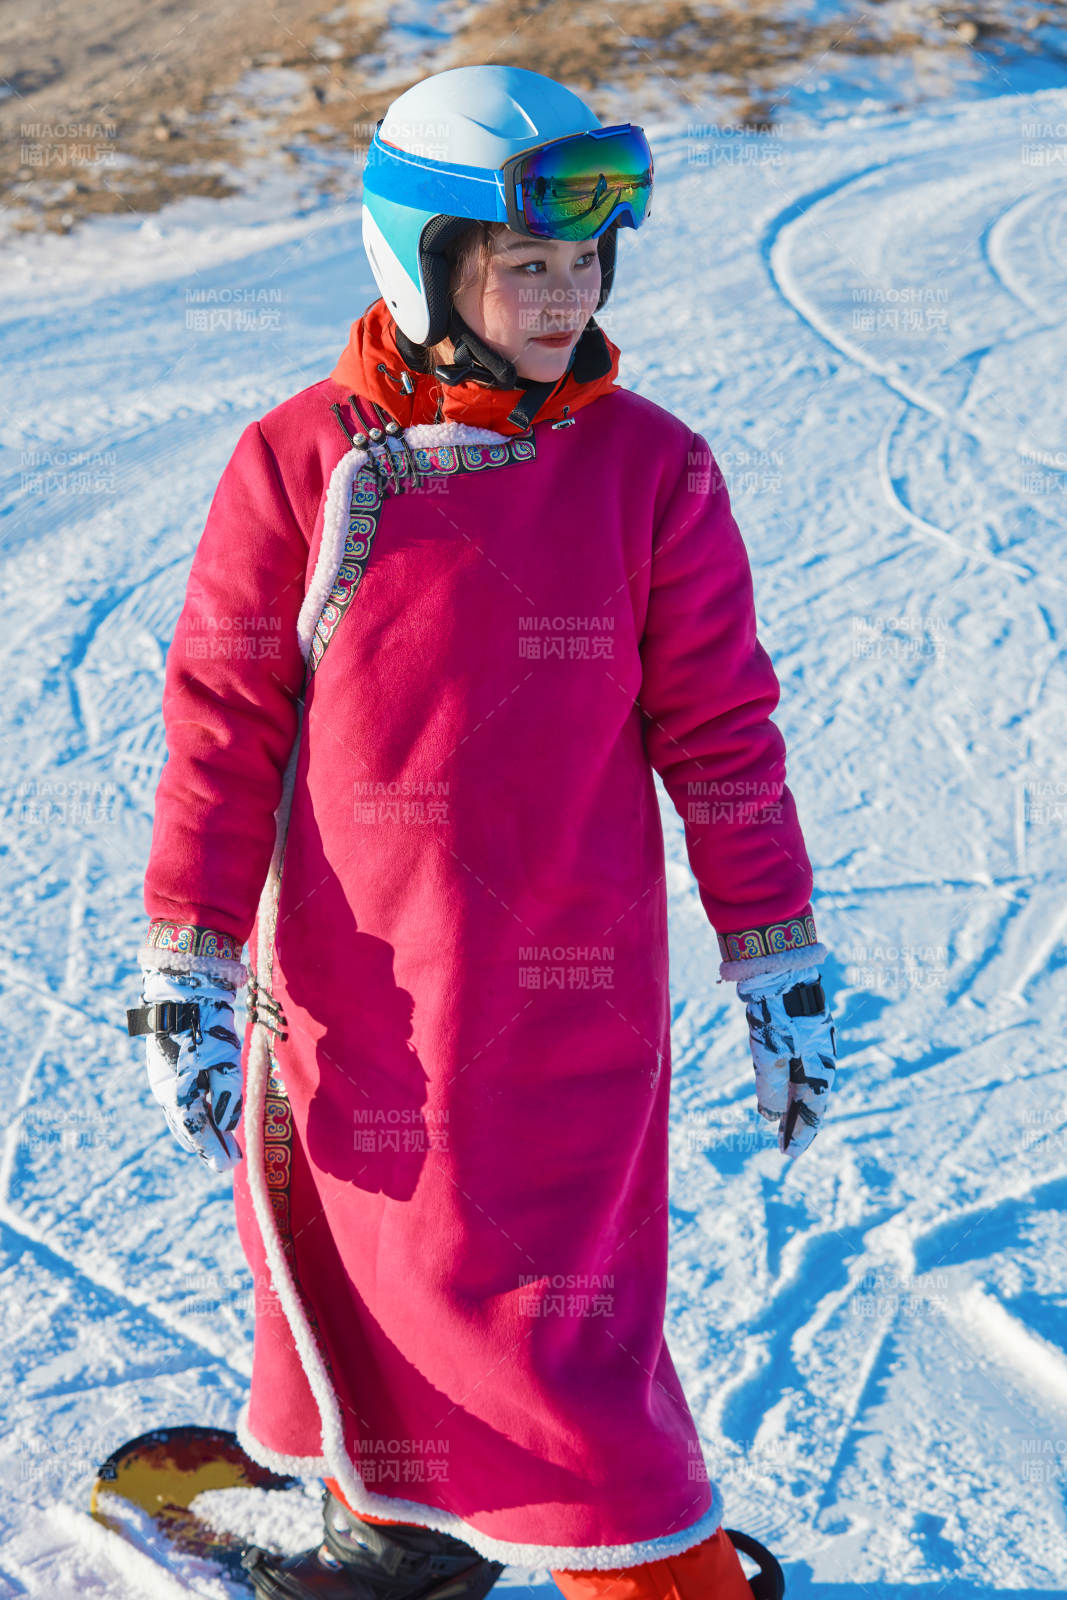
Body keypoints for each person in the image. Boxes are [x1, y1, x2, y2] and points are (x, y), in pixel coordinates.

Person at [127, 62, 838, 1600]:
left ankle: (650, 1565)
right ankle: (395, 1538)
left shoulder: (651, 469)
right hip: (350, 984)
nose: (565, 296)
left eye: (585, 265)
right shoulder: (299, 462)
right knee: (353, 1256)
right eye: (527, 265)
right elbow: (223, 728)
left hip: (560, 995)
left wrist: (771, 952)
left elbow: (720, 736)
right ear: (427, 263)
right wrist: (184, 947)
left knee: (544, 1300)